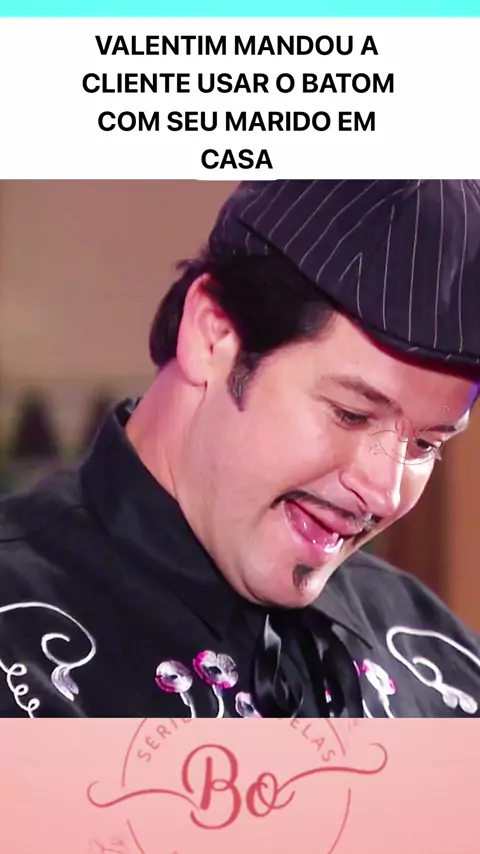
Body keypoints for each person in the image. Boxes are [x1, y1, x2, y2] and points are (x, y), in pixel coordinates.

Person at [1, 179, 480, 719]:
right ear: (213, 336)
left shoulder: (442, 665)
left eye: (425, 444)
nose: (383, 492)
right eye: (350, 414)